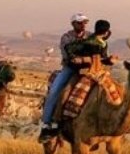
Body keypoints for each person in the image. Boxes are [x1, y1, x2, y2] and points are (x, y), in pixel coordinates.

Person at [39, 13, 91, 141]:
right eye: (80, 22)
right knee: (54, 92)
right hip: (71, 69)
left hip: (89, 69)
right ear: (73, 24)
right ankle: (46, 125)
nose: (83, 25)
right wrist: (79, 58)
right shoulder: (66, 37)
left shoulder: (90, 36)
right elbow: (68, 54)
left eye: (85, 22)